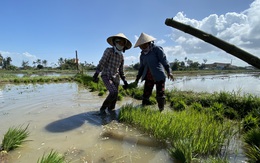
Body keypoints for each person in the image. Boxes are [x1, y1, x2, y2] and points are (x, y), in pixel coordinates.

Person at [93, 33, 132, 115]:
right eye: (119, 42)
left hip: (116, 78)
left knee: (115, 96)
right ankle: (102, 109)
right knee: (113, 92)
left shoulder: (121, 56)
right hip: (107, 75)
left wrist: (124, 81)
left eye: (123, 43)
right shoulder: (109, 51)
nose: (121, 45)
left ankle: (111, 111)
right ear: (115, 42)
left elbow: (121, 70)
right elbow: (102, 62)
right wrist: (96, 74)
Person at [134, 32, 174, 112]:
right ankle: (143, 109)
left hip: (158, 75)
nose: (141, 47)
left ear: (148, 43)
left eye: (143, 45)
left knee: (160, 94)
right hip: (148, 76)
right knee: (146, 94)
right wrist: (137, 79)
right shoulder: (142, 55)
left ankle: (161, 111)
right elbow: (141, 68)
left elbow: (164, 61)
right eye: (140, 46)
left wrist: (169, 71)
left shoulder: (156, 49)